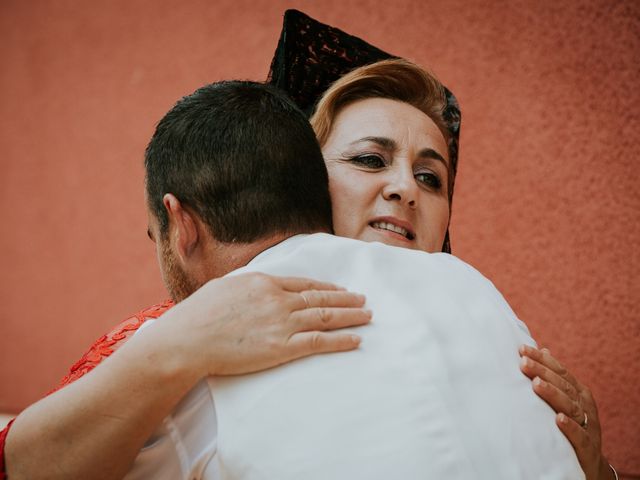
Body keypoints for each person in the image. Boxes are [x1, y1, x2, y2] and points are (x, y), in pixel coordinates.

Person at [1, 9, 613, 480]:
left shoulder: (498, 327)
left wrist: (593, 464)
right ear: (303, 180)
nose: (404, 189)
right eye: (371, 160)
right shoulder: (206, 333)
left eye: (432, 177)